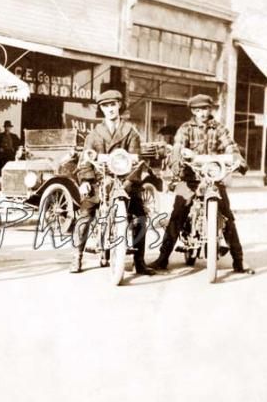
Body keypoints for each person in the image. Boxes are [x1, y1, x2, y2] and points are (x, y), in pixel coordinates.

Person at [149, 94, 254, 274]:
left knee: (227, 217)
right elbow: (178, 147)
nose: (202, 113)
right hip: (190, 179)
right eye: (198, 110)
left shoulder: (219, 128)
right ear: (193, 111)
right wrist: (177, 162)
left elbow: (230, 146)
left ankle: (239, 261)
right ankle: (162, 258)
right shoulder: (186, 128)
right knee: (177, 215)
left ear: (210, 109)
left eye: (205, 109)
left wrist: (237, 159)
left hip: (213, 178)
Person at [70, 89, 155, 276]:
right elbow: (85, 159)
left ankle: (139, 261)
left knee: (140, 215)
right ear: (101, 109)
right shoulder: (94, 134)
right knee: (85, 213)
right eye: (105, 106)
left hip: (125, 180)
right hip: (100, 180)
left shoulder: (130, 132)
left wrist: (129, 183)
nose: (109, 109)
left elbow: (137, 160)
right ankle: (77, 256)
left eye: (113, 105)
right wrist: (85, 180)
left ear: (119, 106)